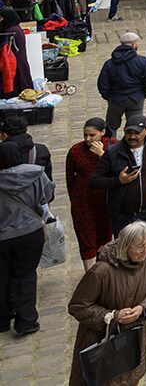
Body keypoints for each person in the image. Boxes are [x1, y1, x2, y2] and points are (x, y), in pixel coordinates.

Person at [90, 114, 146, 315]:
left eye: (137, 132)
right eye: (128, 132)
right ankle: (126, 297)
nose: (132, 136)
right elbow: (95, 181)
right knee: (125, 258)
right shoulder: (113, 153)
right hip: (124, 216)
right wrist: (118, 181)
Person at [67, 221, 146, 386]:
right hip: (101, 342)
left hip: (134, 337)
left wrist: (143, 308)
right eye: (140, 247)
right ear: (125, 246)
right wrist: (113, 316)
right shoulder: (100, 272)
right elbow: (78, 306)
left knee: (131, 378)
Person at [0, 134, 54, 336]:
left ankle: (3, 319)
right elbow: (46, 196)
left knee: (3, 275)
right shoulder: (35, 173)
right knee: (26, 275)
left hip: (3, 236)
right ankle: (26, 320)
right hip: (31, 233)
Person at [66, 118, 115, 269]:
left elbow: (119, 171)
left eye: (92, 135)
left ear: (103, 132)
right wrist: (74, 199)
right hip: (83, 201)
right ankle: (90, 277)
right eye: (85, 135)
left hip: (106, 200)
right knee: (86, 238)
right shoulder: (76, 151)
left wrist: (102, 155)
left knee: (106, 236)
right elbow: (70, 178)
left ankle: (105, 271)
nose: (88, 139)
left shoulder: (114, 147)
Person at [0, 8, 31, 99]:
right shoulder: (16, 28)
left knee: (16, 83)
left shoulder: (10, 32)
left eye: (1, 18)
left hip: (14, 62)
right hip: (19, 61)